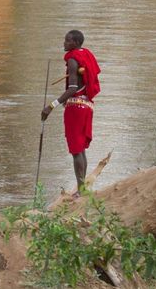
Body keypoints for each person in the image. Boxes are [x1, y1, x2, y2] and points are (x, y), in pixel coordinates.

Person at [41, 29, 101, 192]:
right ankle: (82, 189)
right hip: (86, 105)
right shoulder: (85, 54)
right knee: (80, 149)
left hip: (76, 109)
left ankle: (80, 191)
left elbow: (73, 88)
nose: (64, 43)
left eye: (68, 40)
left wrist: (51, 106)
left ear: (76, 43)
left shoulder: (73, 59)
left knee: (76, 150)